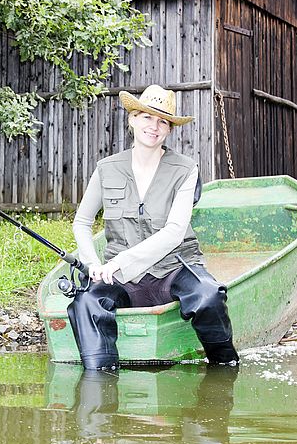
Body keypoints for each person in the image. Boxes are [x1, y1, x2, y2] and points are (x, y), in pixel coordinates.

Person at [70, 84, 239, 371]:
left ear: (169, 129)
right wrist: (93, 263)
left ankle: (224, 368)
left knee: (209, 295)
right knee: (85, 302)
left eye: (163, 121)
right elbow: (82, 223)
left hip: (173, 269)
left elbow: (174, 232)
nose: (154, 126)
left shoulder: (186, 169)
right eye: (147, 117)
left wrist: (121, 261)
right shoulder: (106, 168)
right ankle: (100, 385)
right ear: (132, 119)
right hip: (121, 277)